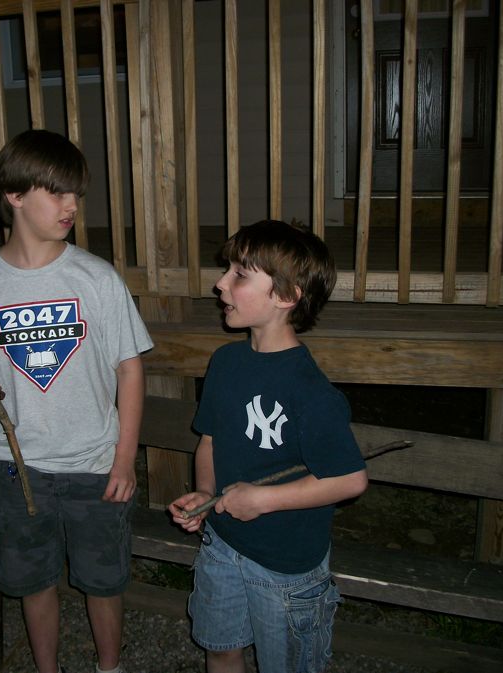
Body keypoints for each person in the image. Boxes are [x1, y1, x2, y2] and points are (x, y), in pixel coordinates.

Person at [0, 129, 153, 673]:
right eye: (57, 192)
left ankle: (109, 667)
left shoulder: (95, 278)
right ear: (15, 195)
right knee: (32, 579)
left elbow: (130, 369)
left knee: (103, 581)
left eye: (76, 194)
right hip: (19, 468)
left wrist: (124, 459)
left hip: (95, 465)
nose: (72, 206)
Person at [168, 220, 368, 673]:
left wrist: (263, 499)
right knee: (220, 648)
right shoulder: (226, 362)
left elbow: (350, 480)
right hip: (221, 546)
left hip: (286, 567)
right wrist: (206, 495)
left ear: (285, 296)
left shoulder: (309, 391)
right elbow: (210, 442)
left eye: (239, 275)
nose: (220, 284)